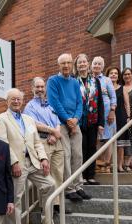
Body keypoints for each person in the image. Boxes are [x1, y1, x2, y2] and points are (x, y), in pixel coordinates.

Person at [0, 88, 57, 224]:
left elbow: (37, 142)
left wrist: (44, 158)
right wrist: (13, 162)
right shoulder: (1, 119)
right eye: (13, 99)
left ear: (22, 101)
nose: (16, 101)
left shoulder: (29, 119)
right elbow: (3, 143)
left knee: (50, 185)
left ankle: (47, 222)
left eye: (19, 99)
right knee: (15, 199)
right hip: (17, 164)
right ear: (7, 101)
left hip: (34, 162)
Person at [47, 53, 90, 202]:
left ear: (72, 64)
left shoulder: (74, 82)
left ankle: (79, 186)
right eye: (63, 63)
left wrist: (76, 119)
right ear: (58, 65)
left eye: (68, 63)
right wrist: (67, 120)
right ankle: (69, 188)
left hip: (75, 122)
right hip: (61, 123)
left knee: (78, 155)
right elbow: (54, 102)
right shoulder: (53, 81)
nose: (66, 66)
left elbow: (80, 102)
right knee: (66, 155)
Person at [23, 77, 64, 212]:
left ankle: (57, 204)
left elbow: (57, 121)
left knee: (58, 173)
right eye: (37, 87)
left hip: (56, 142)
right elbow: (34, 124)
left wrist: (56, 133)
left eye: (42, 87)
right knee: (45, 175)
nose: (40, 89)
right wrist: (52, 131)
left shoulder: (49, 105)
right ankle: (45, 207)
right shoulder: (30, 106)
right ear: (32, 89)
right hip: (42, 142)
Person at [73, 53, 104, 184]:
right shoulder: (73, 81)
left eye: (84, 62)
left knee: (92, 147)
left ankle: (90, 176)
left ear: (88, 63)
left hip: (93, 120)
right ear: (76, 65)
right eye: (79, 62)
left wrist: (101, 123)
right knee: (81, 148)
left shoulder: (95, 80)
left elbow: (100, 101)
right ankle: (82, 177)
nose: (82, 64)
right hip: (78, 121)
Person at [91, 56, 116, 172]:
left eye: (99, 64)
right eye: (95, 63)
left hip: (106, 112)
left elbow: (113, 96)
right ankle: (97, 164)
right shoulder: (89, 79)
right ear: (91, 65)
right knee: (95, 138)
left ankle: (107, 164)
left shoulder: (106, 80)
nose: (96, 66)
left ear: (102, 66)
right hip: (92, 112)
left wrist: (112, 111)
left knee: (108, 138)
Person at [106, 66, 129, 172]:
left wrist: (128, 117)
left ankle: (119, 166)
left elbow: (126, 104)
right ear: (108, 75)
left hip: (121, 116)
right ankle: (108, 165)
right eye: (111, 73)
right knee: (109, 141)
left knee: (120, 143)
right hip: (108, 117)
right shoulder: (104, 87)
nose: (113, 75)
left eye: (115, 73)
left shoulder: (122, 88)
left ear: (118, 76)